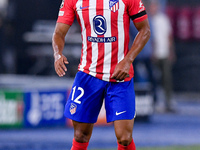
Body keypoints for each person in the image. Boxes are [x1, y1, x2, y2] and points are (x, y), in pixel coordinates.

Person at [52, 0, 150, 149]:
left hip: (119, 77)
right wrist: (57, 54)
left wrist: (127, 60)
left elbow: (145, 30)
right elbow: (59, 32)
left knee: (124, 137)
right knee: (80, 135)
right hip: (88, 75)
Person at [149, 0, 175, 112]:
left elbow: (169, 36)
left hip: (163, 53)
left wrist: (171, 51)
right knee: (153, 79)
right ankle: (154, 101)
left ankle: (168, 101)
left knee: (166, 79)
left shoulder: (163, 19)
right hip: (151, 54)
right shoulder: (147, 20)